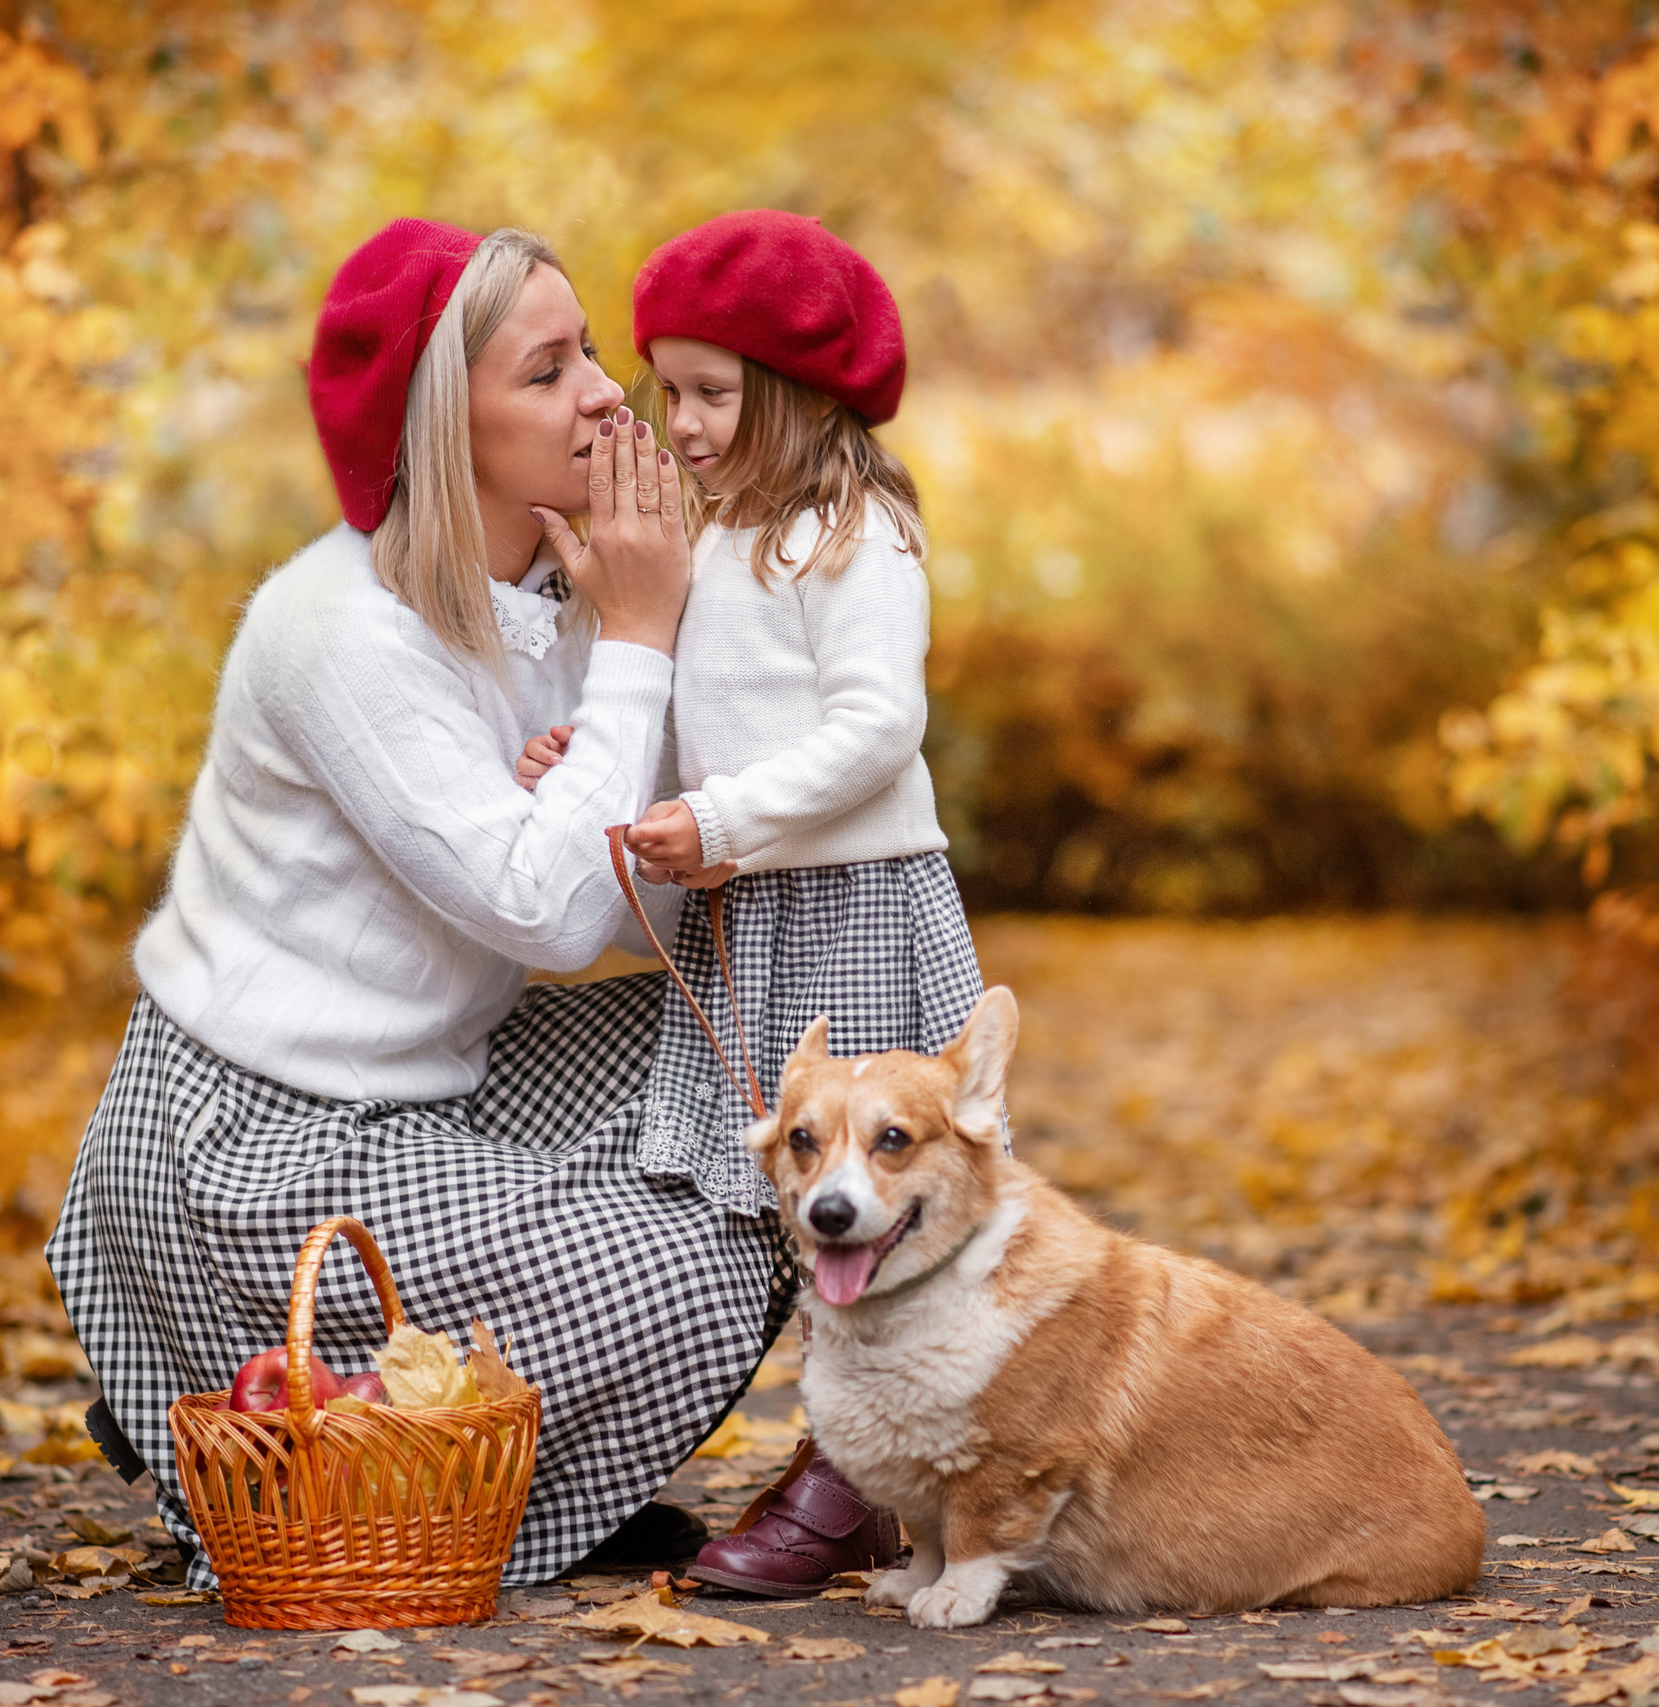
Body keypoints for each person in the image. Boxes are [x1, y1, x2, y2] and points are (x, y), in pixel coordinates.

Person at [45, 219, 793, 1587]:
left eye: (589, 353)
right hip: (254, 1142)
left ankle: (490, 1443)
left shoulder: (555, 590)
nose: (606, 396)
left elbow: (630, 884)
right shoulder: (341, 630)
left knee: (770, 1079)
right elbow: (556, 917)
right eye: (548, 373)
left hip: (433, 1072)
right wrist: (639, 642)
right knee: (689, 1266)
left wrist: (654, 672)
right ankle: (372, 1457)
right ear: (450, 429)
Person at [516, 209, 983, 1595]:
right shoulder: (719, 537)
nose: (681, 423)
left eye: (713, 394)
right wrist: (616, 775)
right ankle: (840, 1457)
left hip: (857, 908)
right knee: (773, 1194)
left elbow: (874, 729)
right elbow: (710, 716)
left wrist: (720, 819)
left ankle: (858, 1478)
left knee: (870, 1189)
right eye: (668, 390)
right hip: (759, 916)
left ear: (799, 391)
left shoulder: (852, 533)